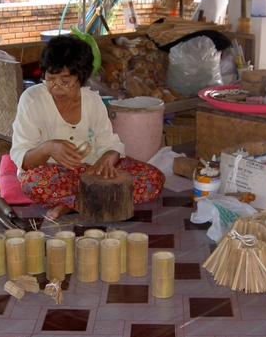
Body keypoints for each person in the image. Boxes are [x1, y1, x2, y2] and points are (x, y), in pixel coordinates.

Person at [10, 34, 165, 220]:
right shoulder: (32, 100)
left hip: (92, 171)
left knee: (153, 178)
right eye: (50, 79)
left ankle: (72, 203)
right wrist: (48, 147)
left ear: (81, 77)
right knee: (33, 182)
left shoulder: (93, 102)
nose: (57, 87)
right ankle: (92, 200)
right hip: (54, 173)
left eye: (65, 82)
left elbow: (111, 145)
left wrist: (108, 158)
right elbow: (22, 159)